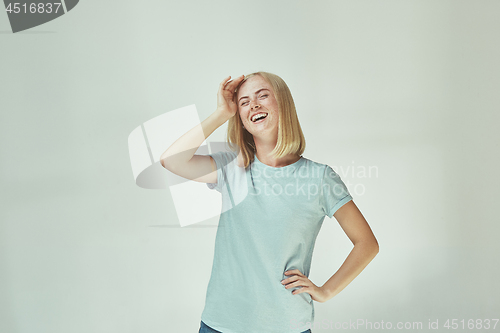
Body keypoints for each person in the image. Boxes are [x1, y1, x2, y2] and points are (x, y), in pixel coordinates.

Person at [160, 72, 379, 333]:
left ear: (283, 104)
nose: (254, 105)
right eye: (244, 102)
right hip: (220, 325)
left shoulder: (319, 177)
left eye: (262, 95)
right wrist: (221, 112)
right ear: (240, 118)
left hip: (287, 326)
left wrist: (325, 291)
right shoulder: (232, 168)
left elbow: (367, 243)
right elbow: (171, 160)